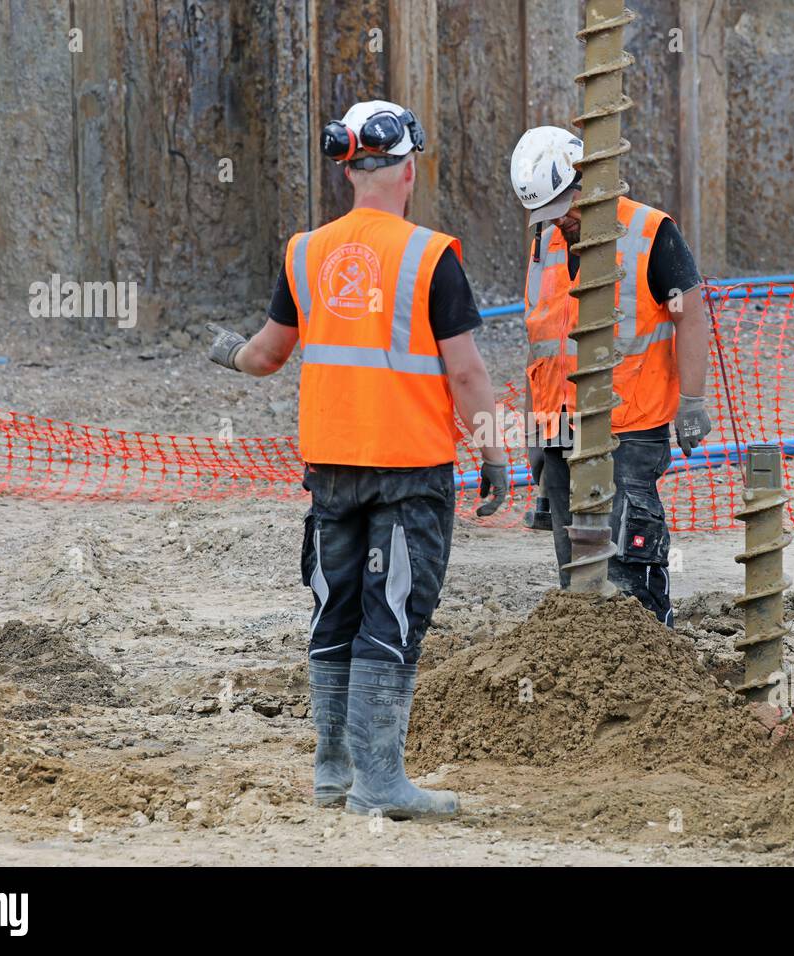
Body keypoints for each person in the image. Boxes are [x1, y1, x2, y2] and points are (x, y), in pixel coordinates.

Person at [206, 100, 508, 818]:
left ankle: (334, 774)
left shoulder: (306, 251)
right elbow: (465, 374)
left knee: (335, 611)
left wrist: (226, 353)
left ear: (349, 170)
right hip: (407, 469)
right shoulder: (430, 256)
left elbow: (265, 355)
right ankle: (380, 782)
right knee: (392, 616)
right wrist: (495, 449)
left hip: (332, 471)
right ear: (407, 169)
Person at [509, 125, 712, 627]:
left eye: (564, 210)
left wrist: (692, 400)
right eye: (549, 215)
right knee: (574, 567)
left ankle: (649, 655)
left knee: (627, 564)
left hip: (629, 426)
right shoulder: (545, 240)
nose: (559, 223)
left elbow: (690, 313)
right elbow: (542, 338)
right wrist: (535, 429)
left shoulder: (648, 230)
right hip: (558, 429)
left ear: (584, 181)